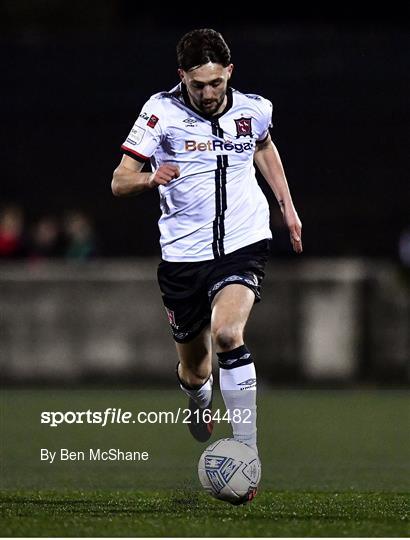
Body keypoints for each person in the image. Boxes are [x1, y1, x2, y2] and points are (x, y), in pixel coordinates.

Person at [112, 28, 302, 455]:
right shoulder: (160, 112)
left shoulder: (255, 109)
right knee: (195, 370)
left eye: (217, 82)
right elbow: (118, 181)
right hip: (183, 256)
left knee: (228, 334)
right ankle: (198, 396)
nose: (209, 92)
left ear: (229, 72)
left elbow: (264, 148)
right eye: (198, 84)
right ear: (182, 76)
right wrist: (149, 178)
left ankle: (246, 451)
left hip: (243, 241)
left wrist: (287, 207)